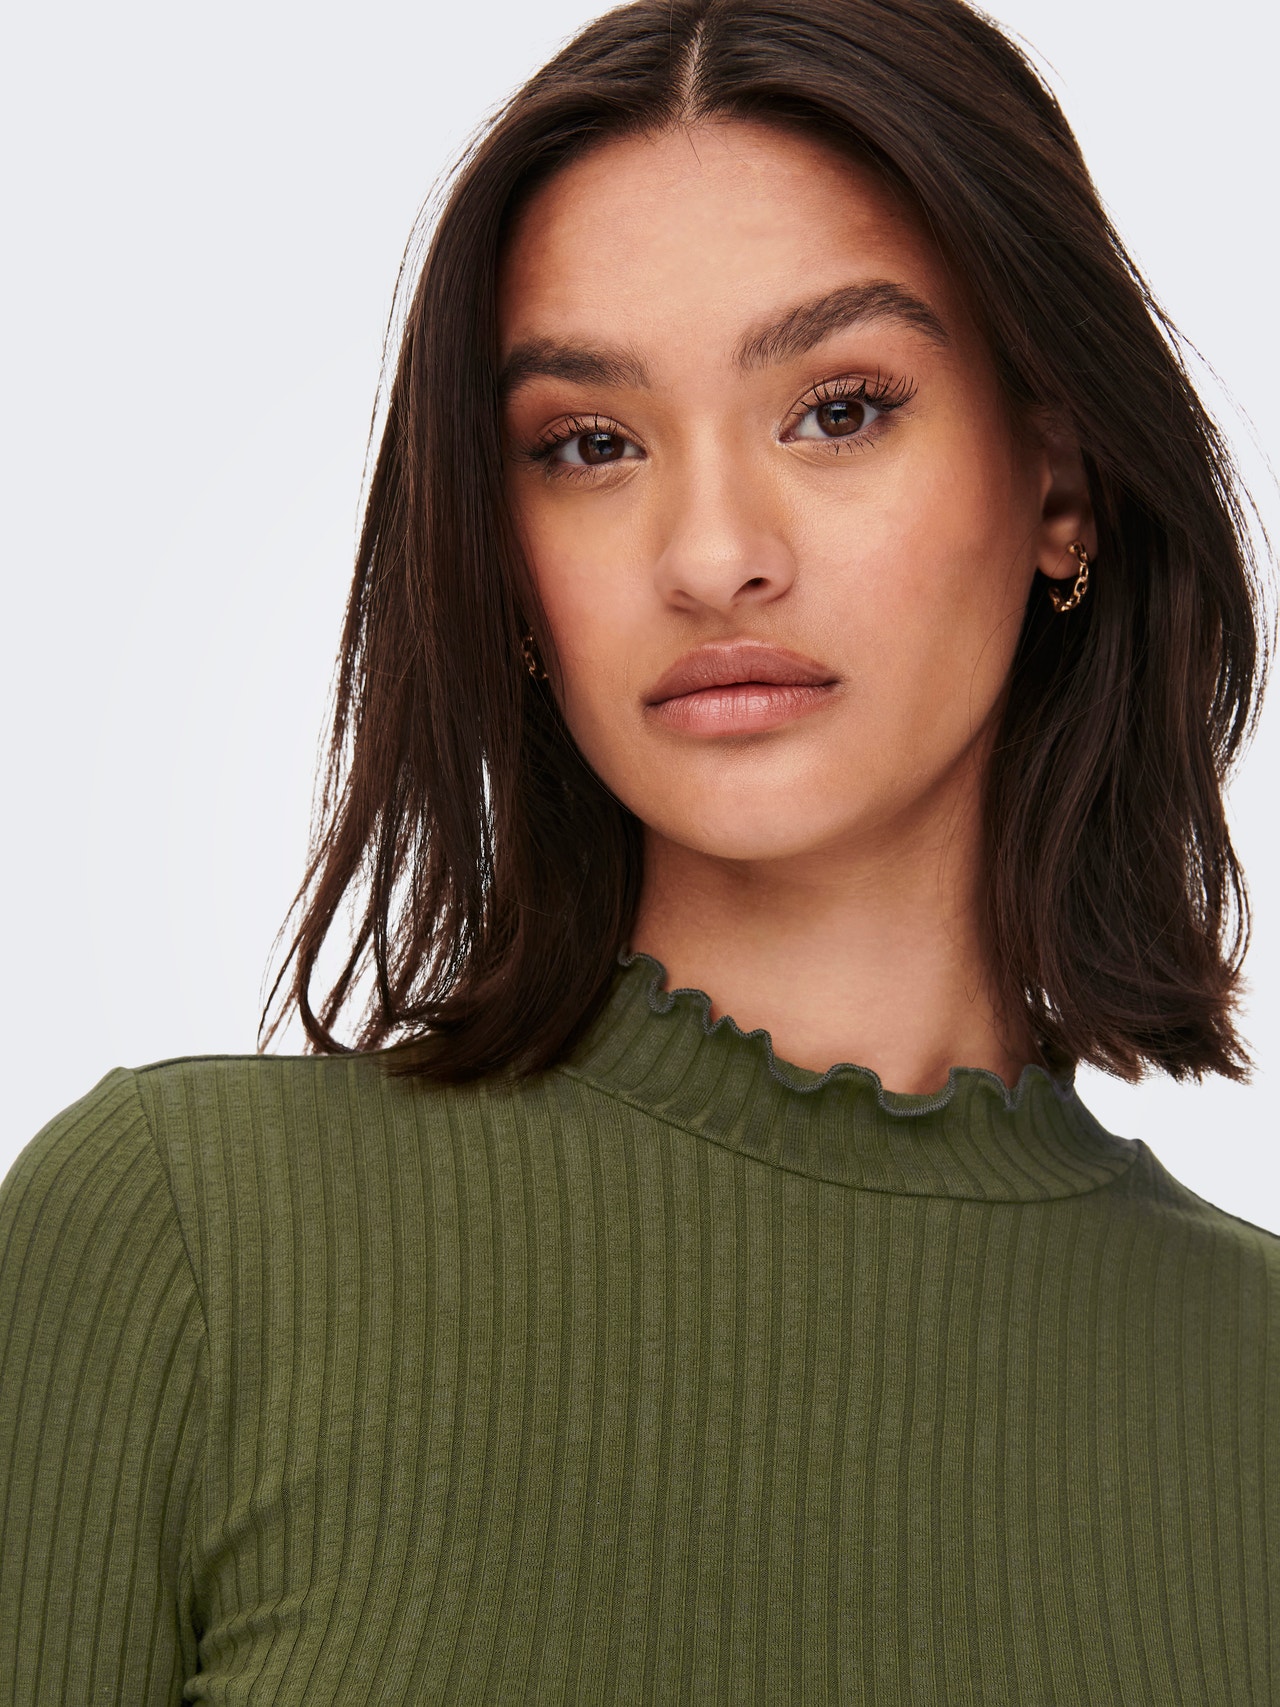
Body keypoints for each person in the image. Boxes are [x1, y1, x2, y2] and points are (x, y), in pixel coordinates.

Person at [1, 0, 1274, 1700]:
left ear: (1059, 482)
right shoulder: (183, 1245)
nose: (712, 554)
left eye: (839, 409)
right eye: (589, 445)